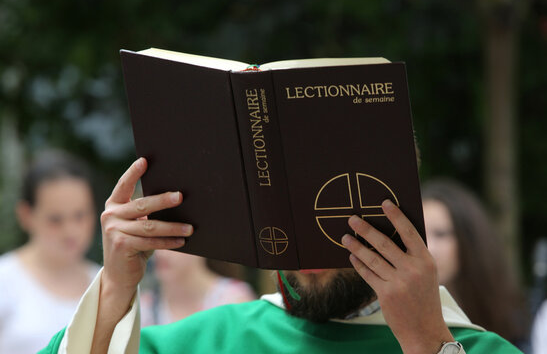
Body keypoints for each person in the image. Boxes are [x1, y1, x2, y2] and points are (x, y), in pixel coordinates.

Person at [41, 158, 521, 353]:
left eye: (331, 224)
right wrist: (115, 285)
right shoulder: (204, 343)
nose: (302, 253)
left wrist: (429, 344)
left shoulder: (469, 347)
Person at [0, 150, 100, 354]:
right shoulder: (4, 280)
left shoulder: (107, 282)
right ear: (26, 215)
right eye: (56, 219)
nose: (71, 231)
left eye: (80, 215)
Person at [422, 179, 529, 348]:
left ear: (470, 241)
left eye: (441, 234)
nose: (428, 247)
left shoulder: (516, 319)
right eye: (419, 234)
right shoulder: (393, 320)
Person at [140, 249, 256, 326]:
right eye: (156, 242)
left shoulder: (234, 300)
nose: (161, 253)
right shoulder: (143, 307)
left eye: (173, 243)